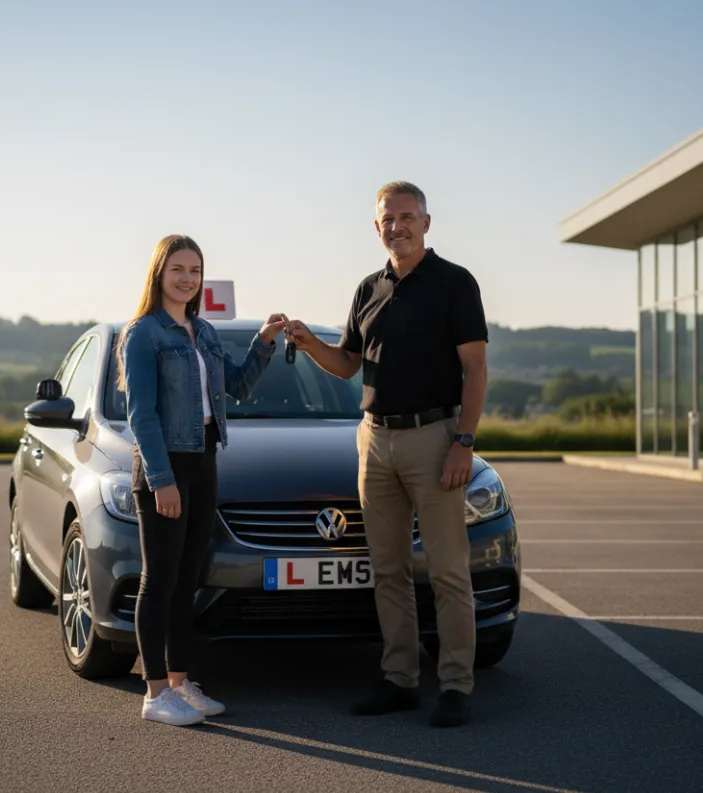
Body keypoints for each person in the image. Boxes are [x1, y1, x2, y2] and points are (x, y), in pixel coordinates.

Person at [285, 182, 488, 728]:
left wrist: (464, 442)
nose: (397, 227)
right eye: (388, 220)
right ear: (377, 228)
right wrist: (310, 344)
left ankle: (456, 685)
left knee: (447, 571)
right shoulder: (367, 289)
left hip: (434, 438)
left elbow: (475, 369)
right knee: (388, 570)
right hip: (373, 440)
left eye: (406, 217)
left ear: (426, 222)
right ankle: (400, 679)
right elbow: (348, 364)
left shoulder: (455, 282)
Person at [117, 234, 287, 726]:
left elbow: (238, 386)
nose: (187, 278)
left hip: (203, 462)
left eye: (194, 270)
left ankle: (179, 682)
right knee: (158, 581)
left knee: (187, 580)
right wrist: (161, 480)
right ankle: (154, 694)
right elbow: (141, 415)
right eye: (178, 269)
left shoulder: (204, 331)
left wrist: (264, 342)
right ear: (159, 274)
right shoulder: (143, 334)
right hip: (165, 465)